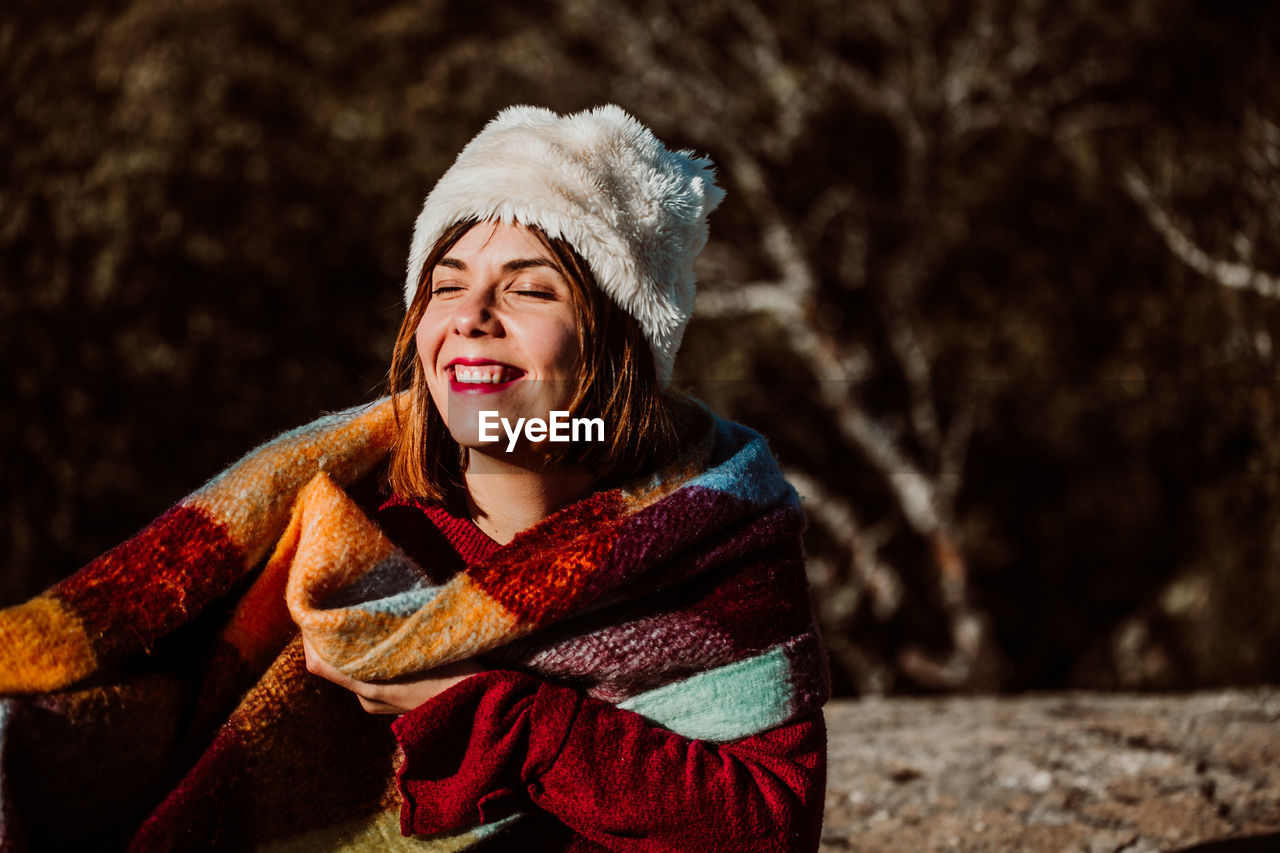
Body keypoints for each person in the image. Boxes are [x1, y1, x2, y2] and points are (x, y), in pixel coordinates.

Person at [0, 105, 827, 852]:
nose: (470, 316)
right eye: (447, 285)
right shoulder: (339, 530)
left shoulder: (713, 533)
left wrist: (489, 708)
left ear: (624, 343)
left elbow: (768, 823)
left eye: (531, 288)